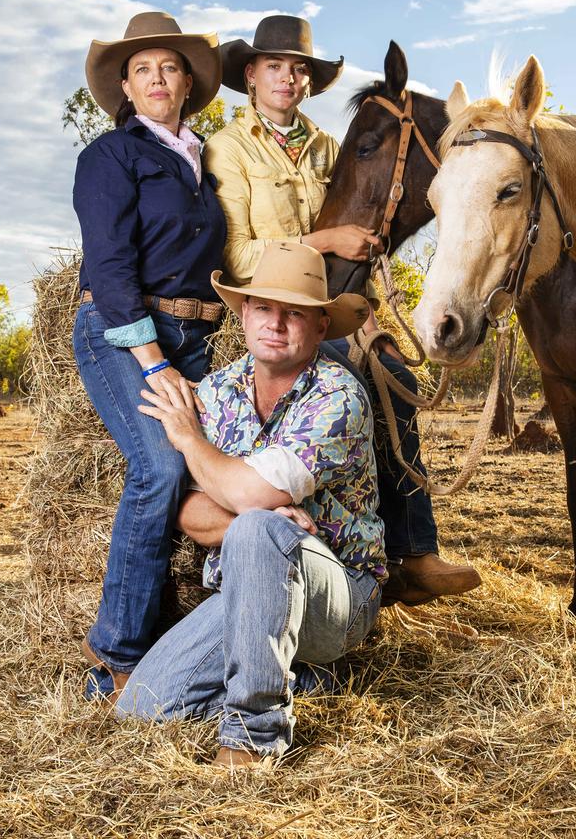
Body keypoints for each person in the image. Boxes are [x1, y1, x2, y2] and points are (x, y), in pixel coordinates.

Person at [203, 15, 480, 604]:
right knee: (346, 385)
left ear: (309, 82)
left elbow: (359, 241)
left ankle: (412, 552)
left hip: (323, 310)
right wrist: (323, 244)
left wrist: (371, 325)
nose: (288, 77)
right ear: (250, 75)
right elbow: (237, 254)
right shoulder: (227, 148)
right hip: (263, 309)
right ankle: (351, 552)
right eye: (275, 66)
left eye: (299, 68)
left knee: (392, 373)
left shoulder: (331, 149)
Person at [115, 242, 386, 766]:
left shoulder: (338, 397)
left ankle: (254, 736)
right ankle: (299, 674)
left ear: (322, 325)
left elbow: (252, 496)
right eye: (263, 307)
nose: (275, 324)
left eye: (294, 313)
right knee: (141, 708)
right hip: (246, 594)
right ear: (243, 313)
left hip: (339, 594)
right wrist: (249, 514)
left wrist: (194, 444)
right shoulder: (215, 394)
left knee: (259, 528)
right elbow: (186, 510)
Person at [73, 11, 227, 701]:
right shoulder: (110, 158)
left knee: (215, 469)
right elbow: (108, 271)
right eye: (143, 70)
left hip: (198, 335)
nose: (157, 79)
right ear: (126, 91)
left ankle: (192, 625)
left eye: (169, 67)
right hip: (123, 330)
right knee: (161, 466)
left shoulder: (206, 160)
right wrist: (156, 363)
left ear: (188, 82)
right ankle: (118, 653)